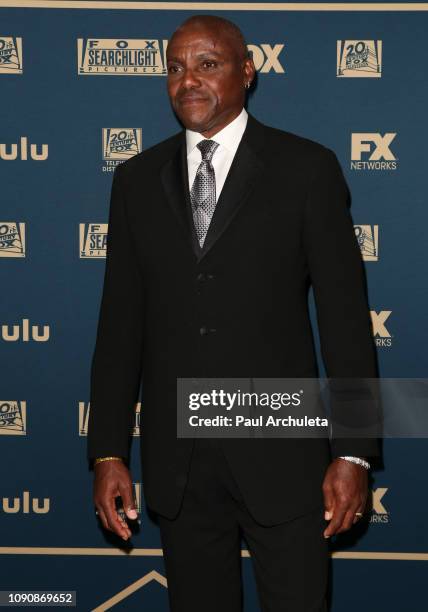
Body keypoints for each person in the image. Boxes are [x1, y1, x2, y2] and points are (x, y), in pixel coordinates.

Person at [87, 14, 381, 612]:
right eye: (174, 68)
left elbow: (347, 321)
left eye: (207, 64)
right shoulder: (135, 181)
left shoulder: (307, 169)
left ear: (247, 71)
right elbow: (120, 326)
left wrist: (352, 452)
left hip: (284, 455)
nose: (187, 80)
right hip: (179, 465)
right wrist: (109, 450)